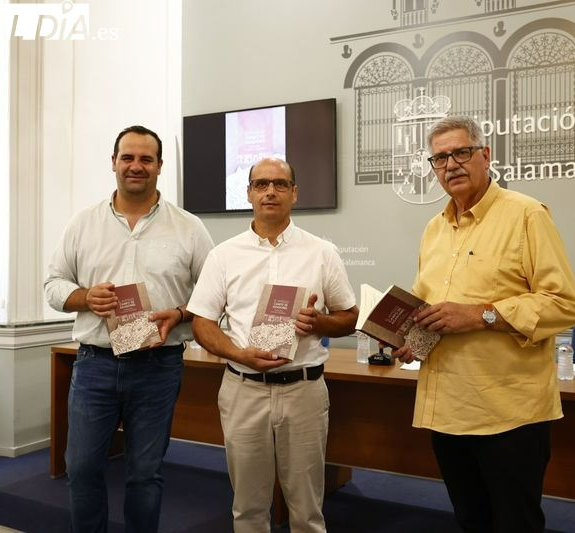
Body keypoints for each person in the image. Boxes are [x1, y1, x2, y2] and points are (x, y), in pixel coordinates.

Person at [389, 116, 575, 533]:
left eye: (461, 152)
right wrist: (413, 339)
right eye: (440, 158)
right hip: (448, 409)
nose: (451, 165)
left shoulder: (526, 215)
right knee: (471, 520)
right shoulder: (433, 229)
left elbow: (562, 304)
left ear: (485, 156)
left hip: (509, 414)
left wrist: (481, 314)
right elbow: (432, 309)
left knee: (515, 524)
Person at [44, 125, 214, 533]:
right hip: (95, 365)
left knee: (144, 473)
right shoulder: (83, 224)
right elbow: (53, 286)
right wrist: (85, 298)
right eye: (128, 158)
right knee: (81, 468)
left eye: (145, 159)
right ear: (114, 163)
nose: (136, 166)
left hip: (159, 366)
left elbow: (213, 295)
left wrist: (179, 312)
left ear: (159, 166)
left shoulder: (189, 227)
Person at [187, 157, 358, 533]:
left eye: (280, 184)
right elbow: (201, 322)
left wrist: (319, 322)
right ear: (248, 192)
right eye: (261, 184)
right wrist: (237, 352)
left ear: (294, 193)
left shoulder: (321, 252)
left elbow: (349, 316)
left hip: (304, 391)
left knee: (308, 511)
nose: (270, 192)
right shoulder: (224, 255)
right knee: (247, 509)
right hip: (243, 390)